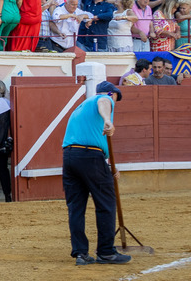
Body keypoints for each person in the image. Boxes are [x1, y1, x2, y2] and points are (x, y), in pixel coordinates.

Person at [60, 81, 131, 265]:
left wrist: (107, 165)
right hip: (89, 156)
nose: (115, 101)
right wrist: (108, 120)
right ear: (111, 93)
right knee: (106, 202)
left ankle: (80, 254)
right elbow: (104, 103)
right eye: (116, 97)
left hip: (69, 157)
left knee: (76, 207)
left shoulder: (80, 108)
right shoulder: (104, 99)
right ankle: (106, 252)